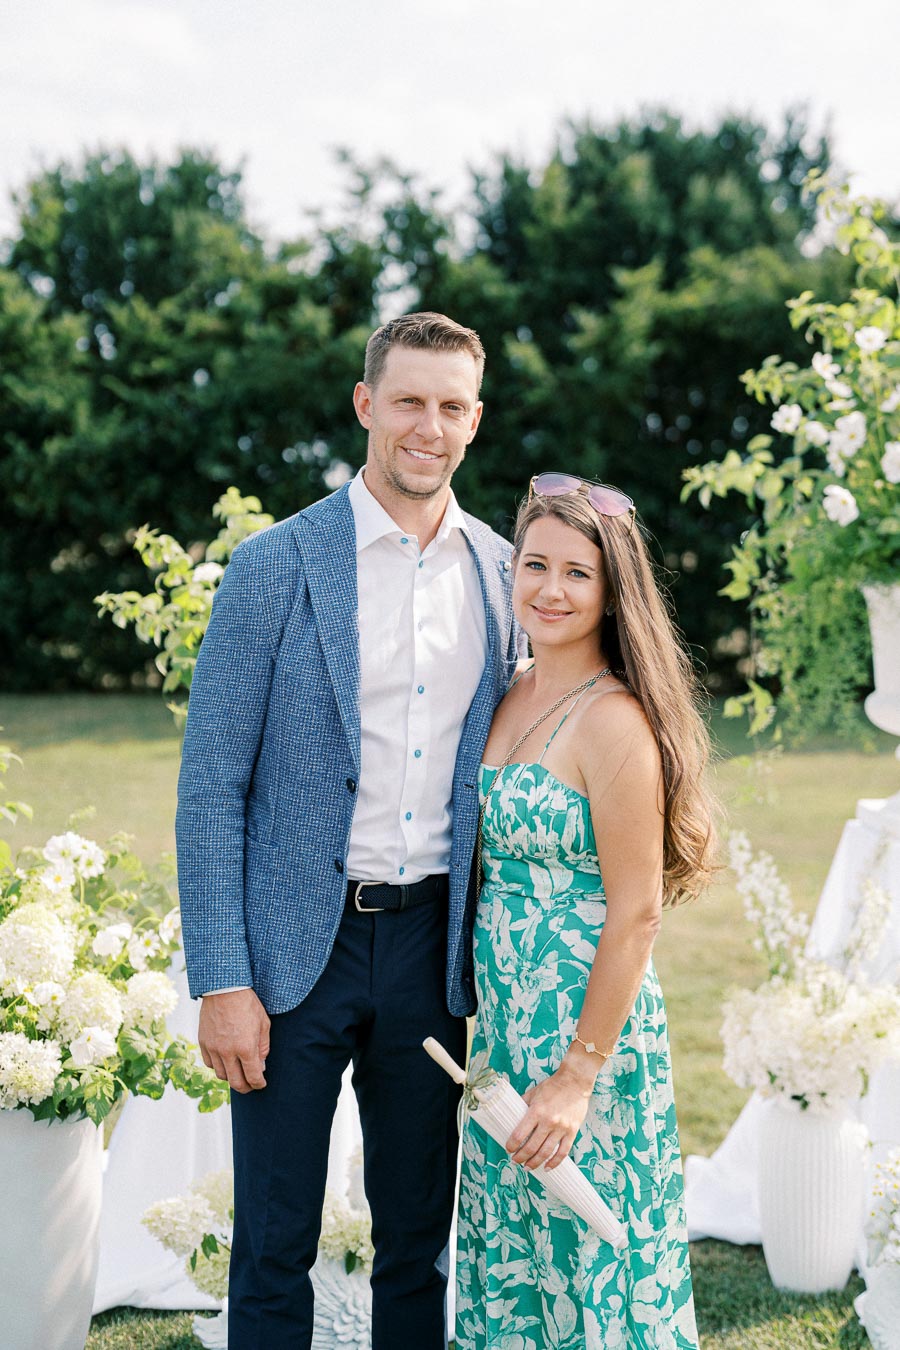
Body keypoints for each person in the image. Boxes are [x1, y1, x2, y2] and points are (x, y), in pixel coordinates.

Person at [175, 312, 522, 1350]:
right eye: (409, 400)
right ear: (368, 405)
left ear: (474, 421)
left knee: (418, 1239)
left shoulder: (504, 579)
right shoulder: (275, 567)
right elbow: (209, 788)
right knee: (275, 1241)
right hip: (292, 958)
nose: (430, 425)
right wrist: (222, 980)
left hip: (432, 955)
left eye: (451, 406)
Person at [454, 473, 717, 1349]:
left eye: (578, 573)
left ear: (612, 594)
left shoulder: (615, 723)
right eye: (535, 565)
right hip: (504, 1023)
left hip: (585, 1032)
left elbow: (638, 911)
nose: (551, 590)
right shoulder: (509, 691)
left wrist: (576, 1077)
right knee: (517, 1253)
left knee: (591, 1258)